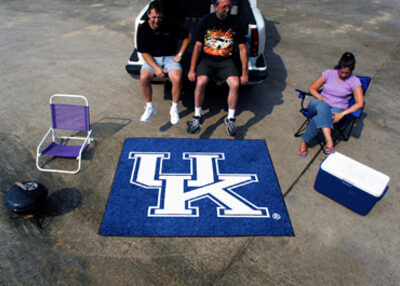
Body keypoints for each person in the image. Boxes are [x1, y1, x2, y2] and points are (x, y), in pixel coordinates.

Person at [187, 0, 248, 136]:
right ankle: (197, 117)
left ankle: (230, 118)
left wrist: (244, 73)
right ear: (215, 7)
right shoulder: (206, 20)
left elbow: (242, 49)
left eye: (229, 7)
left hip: (226, 61)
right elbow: (197, 46)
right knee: (200, 82)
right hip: (207, 60)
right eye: (224, 7)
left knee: (235, 84)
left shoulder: (237, 22)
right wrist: (192, 69)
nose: (227, 10)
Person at [298, 52, 364, 157]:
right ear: (338, 67)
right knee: (322, 105)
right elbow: (312, 88)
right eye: (341, 72)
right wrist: (320, 97)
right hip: (317, 104)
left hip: (337, 109)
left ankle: (304, 142)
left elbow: (360, 103)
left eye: (347, 73)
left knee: (317, 118)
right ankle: (329, 140)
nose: (343, 75)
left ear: (351, 70)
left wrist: (342, 114)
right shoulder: (329, 73)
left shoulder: (354, 81)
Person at [137, 0, 191, 125]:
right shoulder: (143, 28)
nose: (157, 20)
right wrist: (156, 68)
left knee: (177, 79)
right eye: (154, 17)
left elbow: (188, 36)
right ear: (149, 15)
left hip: (169, 57)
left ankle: (174, 108)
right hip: (152, 58)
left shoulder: (170, 24)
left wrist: (180, 54)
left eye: (160, 17)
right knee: (144, 77)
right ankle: (150, 107)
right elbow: (144, 52)